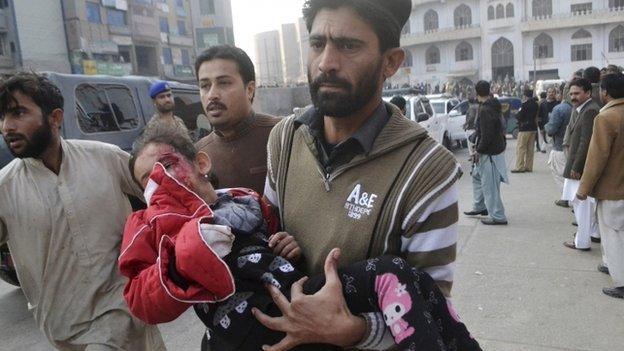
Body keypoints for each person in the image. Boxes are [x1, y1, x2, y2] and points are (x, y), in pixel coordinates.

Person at [120, 126, 482, 351]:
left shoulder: (244, 199)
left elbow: (274, 240)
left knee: (401, 276)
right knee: (388, 279)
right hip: (254, 329)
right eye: (146, 182)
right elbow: (140, 298)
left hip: (300, 298)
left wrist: (286, 245)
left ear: (201, 163)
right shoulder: (151, 225)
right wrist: (185, 256)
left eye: (166, 166)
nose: (161, 182)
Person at [259, 0, 463, 349]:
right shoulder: (284, 138)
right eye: (317, 44)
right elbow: (265, 235)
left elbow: (431, 310)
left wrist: (353, 330)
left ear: (390, 62)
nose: (326, 63)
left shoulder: (429, 171)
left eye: (349, 46)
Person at [0, 72, 165, 350]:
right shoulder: (5, 188)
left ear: (54, 118)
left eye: (18, 113)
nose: (7, 126)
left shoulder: (106, 157)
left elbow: (163, 192)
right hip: (64, 328)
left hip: (123, 312)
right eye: (3, 116)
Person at [194, 45, 280, 195]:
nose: (212, 94)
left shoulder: (282, 135)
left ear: (250, 89)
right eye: (205, 86)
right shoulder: (197, 155)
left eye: (224, 83)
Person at [577, 73, 624, 298]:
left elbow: (596, 158)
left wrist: (583, 189)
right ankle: (613, 266)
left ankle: (621, 281)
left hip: (613, 188)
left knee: (613, 234)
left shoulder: (606, 118)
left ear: (604, 92)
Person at [561, 78, 601, 251]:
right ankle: (590, 235)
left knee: (581, 206)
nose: (573, 97)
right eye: (571, 94)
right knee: (583, 206)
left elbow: (586, 142)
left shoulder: (590, 111)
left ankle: (582, 242)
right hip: (579, 165)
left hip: (580, 168)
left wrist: (577, 167)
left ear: (588, 93)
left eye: (577, 93)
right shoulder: (581, 109)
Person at [463, 81, 508, 225]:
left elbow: (487, 135)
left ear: (476, 93)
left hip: (489, 153)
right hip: (494, 149)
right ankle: (480, 206)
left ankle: (498, 216)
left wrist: (478, 151)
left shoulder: (485, 110)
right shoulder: (493, 105)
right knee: (477, 177)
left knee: (490, 187)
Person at [545, 87, 572, 207]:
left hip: (560, 147)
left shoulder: (560, 109)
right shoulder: (578, 108)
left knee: (560, 173)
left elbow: (551, 130)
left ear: (561, 94)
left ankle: (566, 197)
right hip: (573, 147)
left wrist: (546, 125)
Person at [511, 88, 539, 173]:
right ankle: (529, 167)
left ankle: (519, 167)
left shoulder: (525, 104)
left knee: (521, 148)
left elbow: (520, 116)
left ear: (525, 96)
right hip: (533, 128)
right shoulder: (536, 104)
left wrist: (516, 114)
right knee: (530, 149)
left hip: (524, 128)